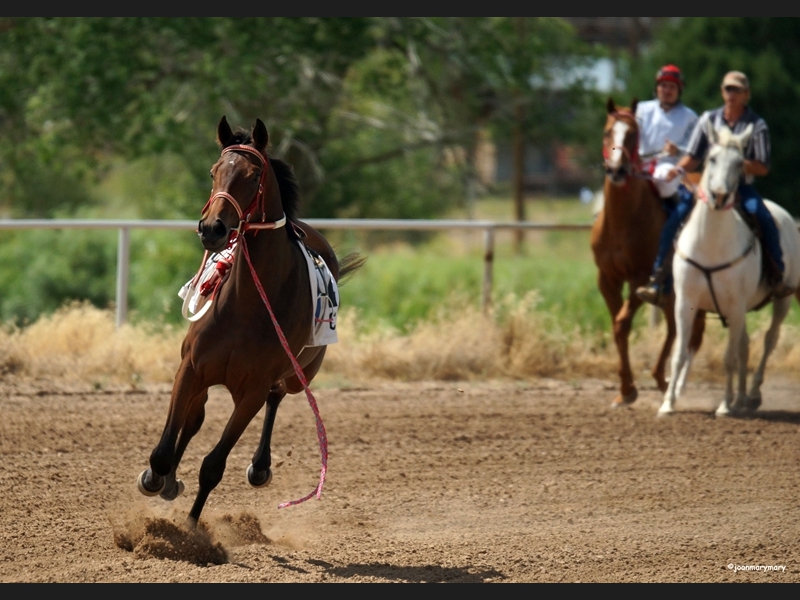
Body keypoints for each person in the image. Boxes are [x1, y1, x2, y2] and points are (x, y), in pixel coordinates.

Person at [636, 70, 793, 305]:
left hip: (740, 188)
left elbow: (762, 166)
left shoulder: (757, 125)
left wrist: (733, 163)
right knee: (678, 217)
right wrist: (678, 170)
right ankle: (659, 277)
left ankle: (776, 276)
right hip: (705, 189)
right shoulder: (707, 119)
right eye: (728, 89)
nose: (732, 94)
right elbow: (693, 155)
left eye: (737, 90)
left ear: (746, 95)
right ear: (722, 92)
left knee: (764, 217)